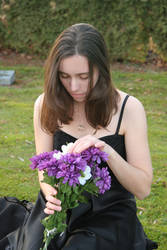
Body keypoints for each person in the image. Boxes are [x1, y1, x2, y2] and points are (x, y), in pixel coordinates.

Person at [0, 23, 157, 250]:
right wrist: (50, 193)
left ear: (101, 70)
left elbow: (143, 189)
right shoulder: (45, 104)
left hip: (109, 216)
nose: (74, 86)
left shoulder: (129, 109)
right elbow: (44, 167)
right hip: (58, 209)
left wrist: (108, 152)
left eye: (84, 76)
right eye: (65, 76)